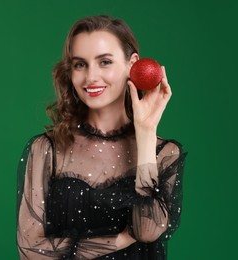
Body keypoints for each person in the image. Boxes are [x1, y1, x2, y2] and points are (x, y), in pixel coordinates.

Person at [16, 15, 187, 259]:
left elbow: (147, 231)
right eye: (79, 64)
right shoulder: (47, 149)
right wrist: (118, 240)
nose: (90, 77)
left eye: (105, 62)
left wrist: (146, 132)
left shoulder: (164, 153)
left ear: (133, 64)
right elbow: (30, 250)